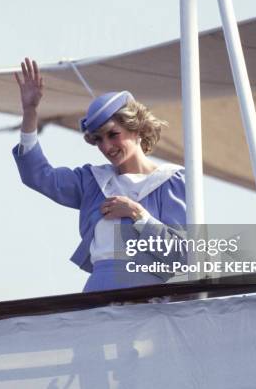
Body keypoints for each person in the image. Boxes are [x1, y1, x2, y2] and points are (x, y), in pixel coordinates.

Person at [13, 58, 186, 292]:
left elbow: (183, 257)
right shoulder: (92, 181)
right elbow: (37, 176)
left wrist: (138, 214)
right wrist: (30, 111)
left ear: (137, 129)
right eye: (98, 140)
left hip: (152, 301)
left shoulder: (172, 181)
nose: (106, 147)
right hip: (98, 292)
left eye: (113, 134)